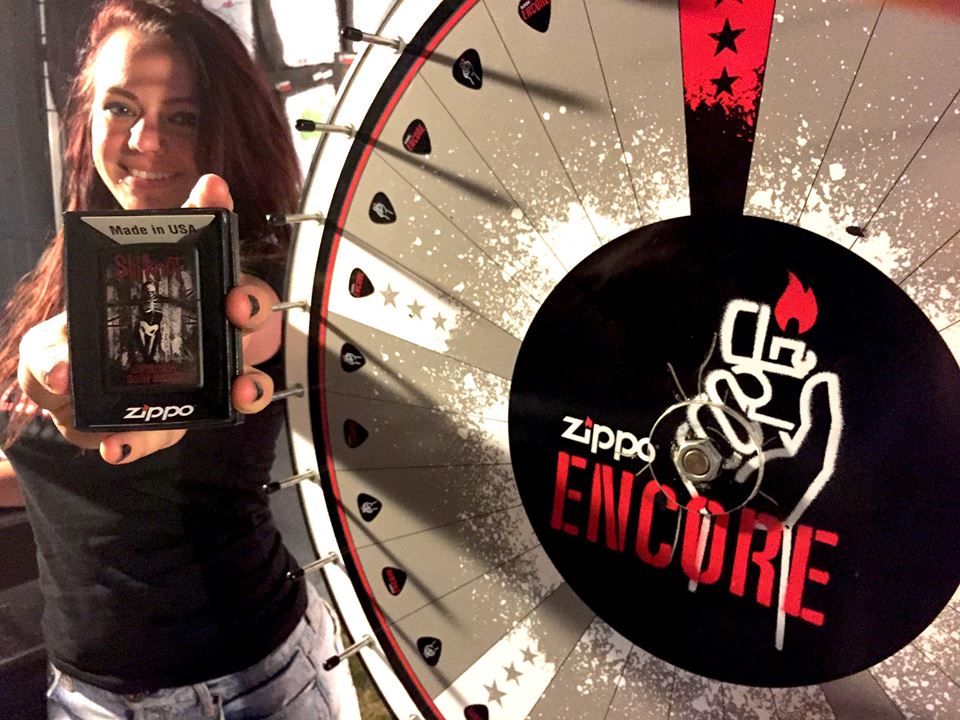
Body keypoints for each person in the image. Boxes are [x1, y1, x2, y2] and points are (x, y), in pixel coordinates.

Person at [0, 1, 360, 718]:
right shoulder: (74, 262)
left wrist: (114, 388)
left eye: (184, 117)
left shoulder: (258, 276)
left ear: (225, 129)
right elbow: (43, 468)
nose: (145, 140)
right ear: (87, 118)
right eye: (121, 107)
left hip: (247, 690)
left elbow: (233, 332)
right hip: (84, 697)